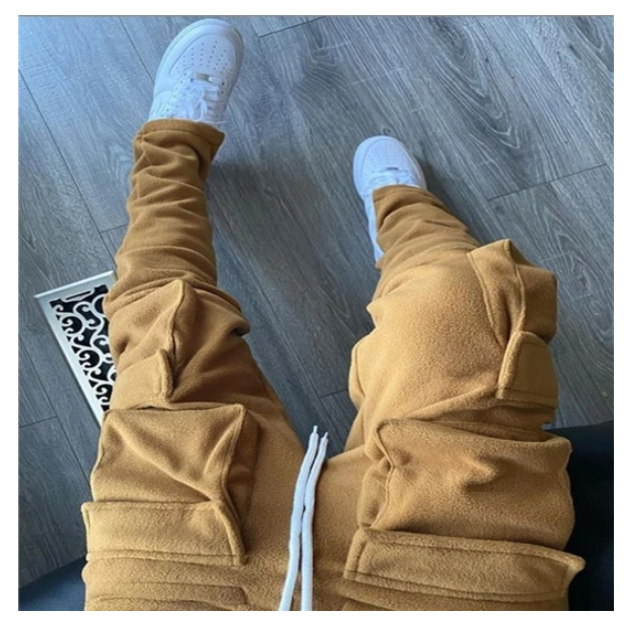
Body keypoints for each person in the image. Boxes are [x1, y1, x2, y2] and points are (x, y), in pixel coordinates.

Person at [81, 19, 585, 611]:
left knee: (163, 325)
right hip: (441, 585)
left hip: (175, 583)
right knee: (471, 306)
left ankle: (171, 147)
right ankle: (404, 211)